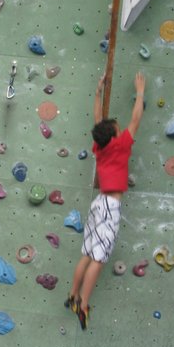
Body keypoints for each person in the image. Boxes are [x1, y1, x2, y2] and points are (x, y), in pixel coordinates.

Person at [66, 71, 145, 330]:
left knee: (87, 254)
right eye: (118, 130)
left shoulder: (101, 147)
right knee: (98, 260)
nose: (122, 131)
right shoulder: (120, 146)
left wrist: (98, 91)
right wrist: (140, 91)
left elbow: (98, 120)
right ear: (113, 136)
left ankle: (72, 295)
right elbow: (136, 118)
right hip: (110, 207)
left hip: (98, 204)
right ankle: (83, 304)